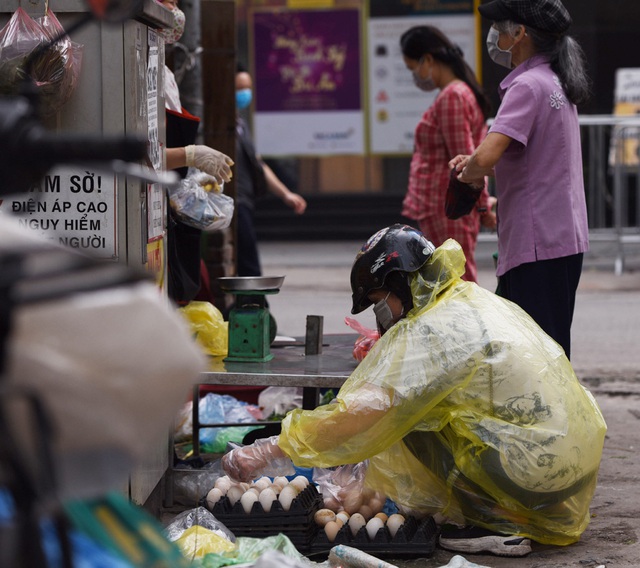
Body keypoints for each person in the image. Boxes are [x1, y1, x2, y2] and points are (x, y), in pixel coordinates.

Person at [222, 224, 606, 557]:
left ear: (398, 283)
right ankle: (512, 509)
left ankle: (497, 525)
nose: (380, 313)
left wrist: (272, 449)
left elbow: (361, 414)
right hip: (564, 461)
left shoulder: (429, 331)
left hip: (529, 469)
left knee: (408, 420)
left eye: (377, 301)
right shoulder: (464, 299)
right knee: (422, 411)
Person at [449, 0, 590, 359]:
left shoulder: (526, 85)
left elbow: (489, 155)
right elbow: (534, 162)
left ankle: (547, 416)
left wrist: (468, 172)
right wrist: (479, 163)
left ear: (520, 34)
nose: (495, 34)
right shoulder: (555, 81)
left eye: (500, 26)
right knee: (546, 348)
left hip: (537, 242)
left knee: (535, 357)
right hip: (560, 238)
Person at [400, 26, 496, 283]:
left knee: (455, 284)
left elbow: (465, 162)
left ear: (428, 60)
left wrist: (483, 207)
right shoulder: (460, 92)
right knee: (451, 282)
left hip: (446, 207)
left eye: (413, 68)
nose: (416, 76)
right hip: (446, 206)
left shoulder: (452, 96)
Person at [157, 0, 233, 304]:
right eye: (167, 1)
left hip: (166, 211)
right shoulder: (130, 69)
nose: (174, 7)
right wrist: (190, 156)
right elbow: (140, 153)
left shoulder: (165, 75)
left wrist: (192, 180)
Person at [234, 67, 307, 277]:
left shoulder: (240, 124)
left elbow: (259, 165)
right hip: (233, 200)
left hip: (245, 199)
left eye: (247, 87)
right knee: (247, 261)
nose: (244, 93)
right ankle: (254, 304)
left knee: (247, 257)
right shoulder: (221, 126)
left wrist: (285, 194)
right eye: (239, 88)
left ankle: (253, 303)